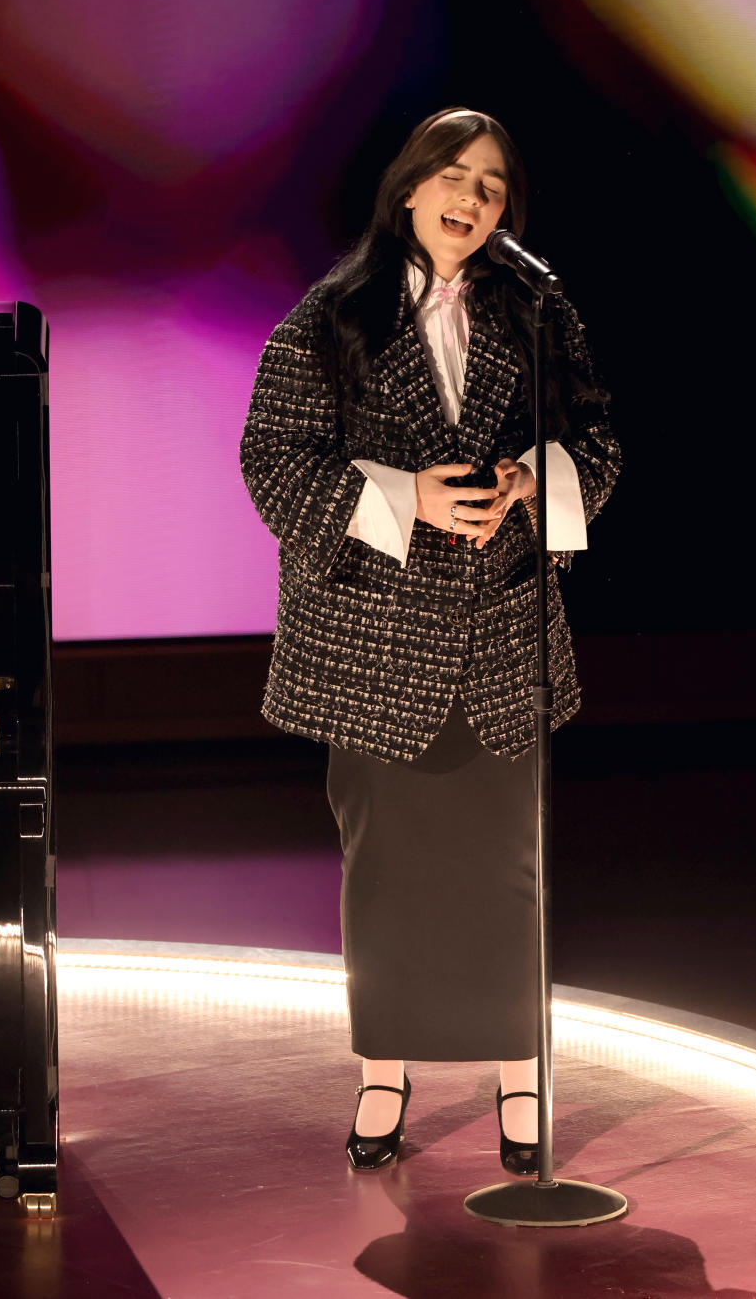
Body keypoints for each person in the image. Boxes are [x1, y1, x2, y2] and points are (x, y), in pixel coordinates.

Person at [240, 107, 619, 1173]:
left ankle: (519, 1073)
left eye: (493, 186)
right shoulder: (329, 320)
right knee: (387, 868)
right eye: (453, 176)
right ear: (409, 188)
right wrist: (406, 497)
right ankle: (383, 1070)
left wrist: (527, 486)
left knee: (509, 867)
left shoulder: (538, 312)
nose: (471, 198)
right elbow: (274, 461)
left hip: (502, 634)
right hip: (375, 640)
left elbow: (596, 442)